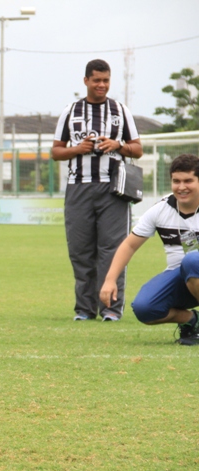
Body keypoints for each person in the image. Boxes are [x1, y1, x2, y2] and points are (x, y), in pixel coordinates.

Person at [53, 59, 142, 322]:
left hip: (113, 190)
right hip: (78, 188)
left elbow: (137, 148)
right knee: (81, 251)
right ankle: (84, 309)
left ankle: (112, 308)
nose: (102, 85)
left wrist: (117, 145)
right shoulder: (71, 110)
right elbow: (56, 151)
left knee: (113, 250)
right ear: (86, 81)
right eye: (97, 80)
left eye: (106, 80)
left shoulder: (120, 110)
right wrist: (77, 150)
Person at [100, 155, 199, 345]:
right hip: (181, 276)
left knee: (192, 260)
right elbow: (129, 245)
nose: (181, 187)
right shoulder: (161, 209)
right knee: (145, 308)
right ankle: (192, 322)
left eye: (188, 181)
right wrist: (110, 280)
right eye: (176, 181)